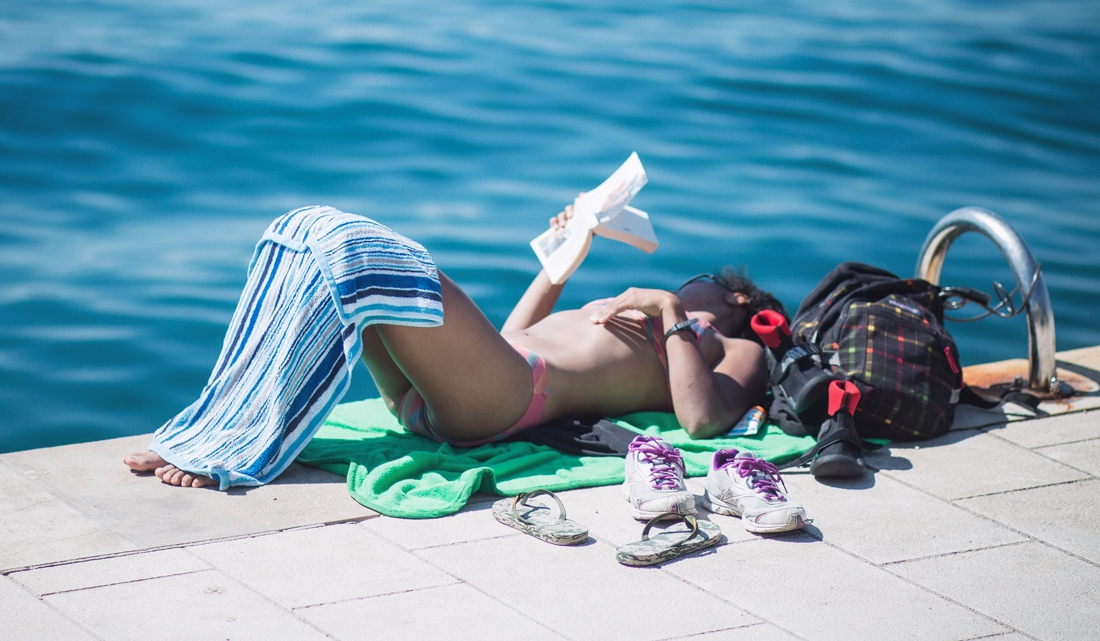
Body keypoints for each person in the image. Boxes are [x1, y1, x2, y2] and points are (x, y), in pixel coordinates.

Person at [124, 204, 785, 488]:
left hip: (509, 398)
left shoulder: (727, 345)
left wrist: (668, 308)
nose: (685, 284)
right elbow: (511, 337)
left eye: (700, 283)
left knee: (364, 250)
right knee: (320, 247)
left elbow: (702, 420)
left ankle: (234, 451)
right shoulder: (660, 319)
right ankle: (219, 433)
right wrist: (567, 257)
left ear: (738, 299)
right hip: (477, 384)